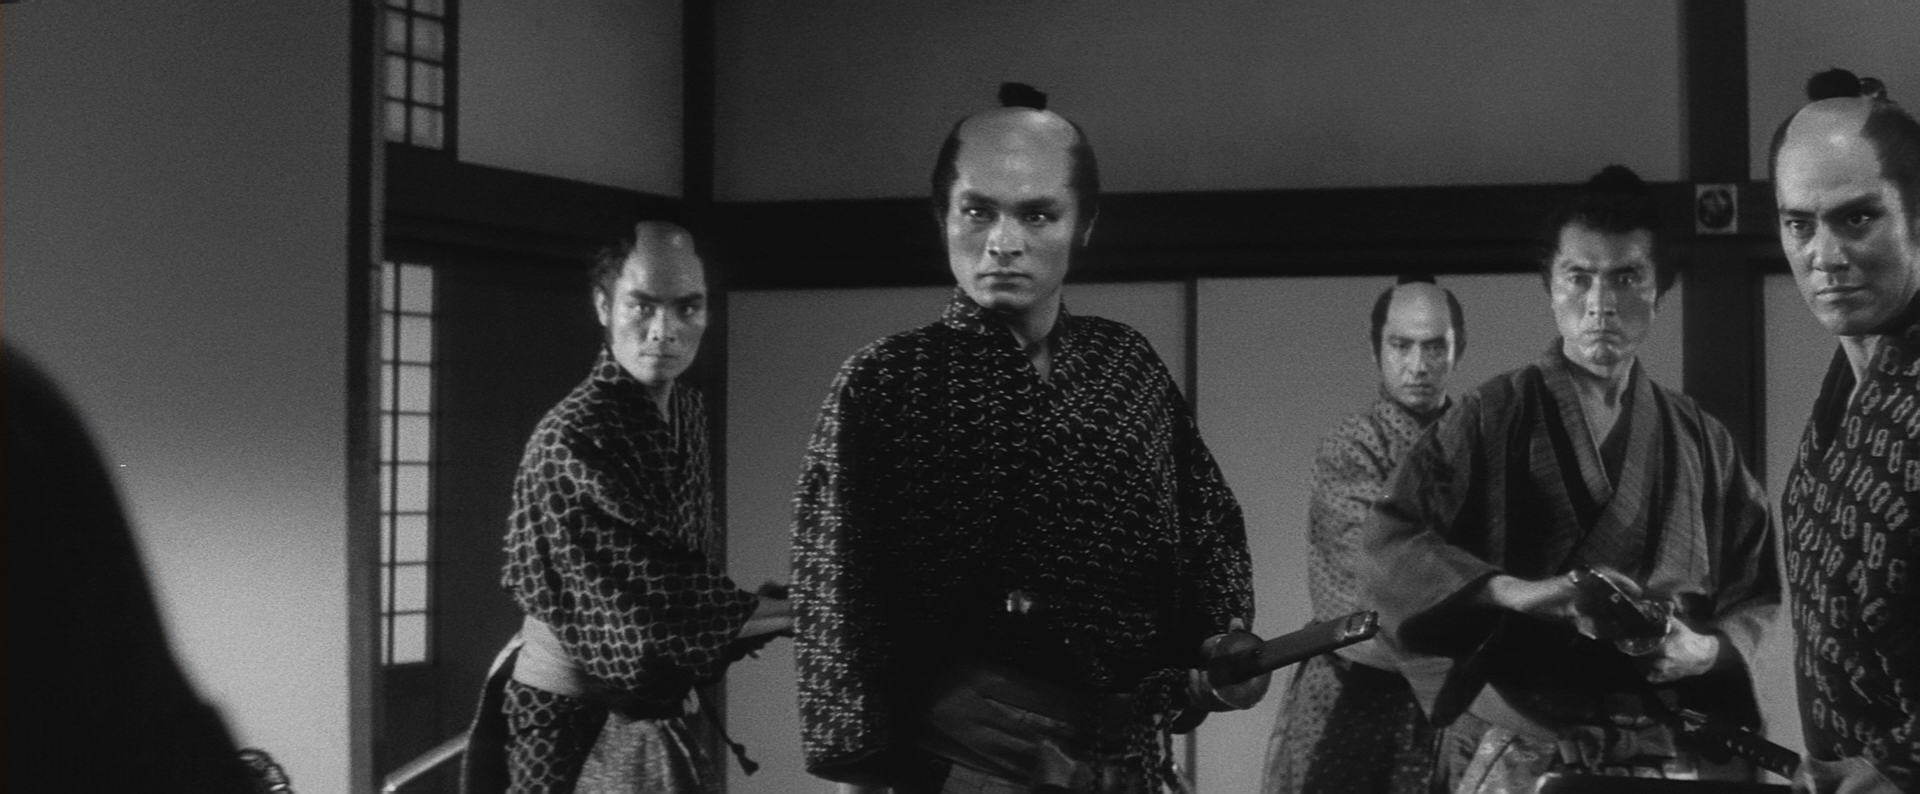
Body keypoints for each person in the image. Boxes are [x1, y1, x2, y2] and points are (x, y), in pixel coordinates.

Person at [791, 83, 1259, 793]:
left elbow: (1208, 525)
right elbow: (843, 613)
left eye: (1038, 214)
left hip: (1123, 751)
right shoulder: (885, 382)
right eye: (977, 211)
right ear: (942, 215)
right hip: (964, 763)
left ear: (1085, 224)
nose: (1003, 243)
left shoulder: (1124, 364)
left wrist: (1220, 636)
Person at [1363, 166, 1781, 790]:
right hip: (1518, 743)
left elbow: (1755, 593)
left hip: (1663, 746)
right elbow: (1391, 544)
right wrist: (1513, 591)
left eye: (1626, 278)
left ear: (1659, 291)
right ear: (1550, 287)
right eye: (1579, 277)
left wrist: (1706, 650)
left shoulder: (1701, 439)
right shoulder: (1492, 414)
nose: (1600, 304)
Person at [468, 222, 791, 793]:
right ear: (603, 305)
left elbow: (685, 576)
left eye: (687, 308)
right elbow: (648, 614)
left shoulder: (686, 411)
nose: (664, 330)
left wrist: (786, 611)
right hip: (565, 713)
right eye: (642, 306)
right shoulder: (573, 435)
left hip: (657, 697)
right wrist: (797, 612)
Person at [1769, 68, 1920, 793]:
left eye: (1856, 219)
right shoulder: (1847, 392)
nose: (1824, 257)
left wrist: (1898, 767)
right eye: (1799, 224)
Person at [1261, 275, 1465, 793]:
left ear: (1457, 348)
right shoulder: (1353, 446)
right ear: (1377, 351)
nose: (1418, 365)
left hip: (1457, 699)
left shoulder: (1482, 444)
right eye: (1401, 345)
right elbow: (1382, 577)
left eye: (1434, 346)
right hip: (1356, 687)